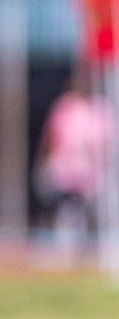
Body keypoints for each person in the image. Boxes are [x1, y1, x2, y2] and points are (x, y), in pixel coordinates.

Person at [37, 71, 110, 259]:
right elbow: (50, 138)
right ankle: (66, 249)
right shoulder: (66, 107)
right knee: (69, 210)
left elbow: (107, 145)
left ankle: (92, 246)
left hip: (93, 173)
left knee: (94, 210)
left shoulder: (101, 109)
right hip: (67, 171)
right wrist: (44, 162)